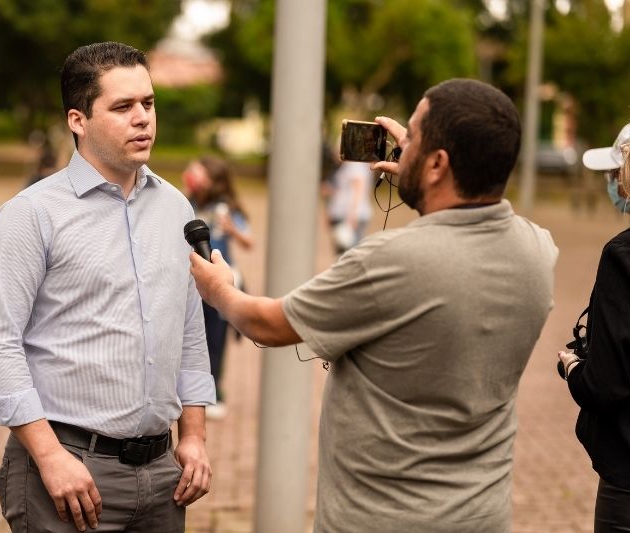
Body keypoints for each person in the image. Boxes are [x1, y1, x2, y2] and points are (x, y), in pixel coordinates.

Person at [189, 78, 558, 533]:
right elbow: (469, 225)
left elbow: (266, 324)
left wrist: (218, 287)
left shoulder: (391, 261)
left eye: (414, 136)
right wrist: (427, 168)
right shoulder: (539, 250)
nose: (403, 143)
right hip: (482, 516)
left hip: (382, 519)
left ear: (439, 163)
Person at [0, 41, 214, 533]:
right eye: (122, 107)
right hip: (67, 470)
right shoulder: (30, 216)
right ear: (77, 120)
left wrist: (194, 435)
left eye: (148, 103)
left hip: (164, 474)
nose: (142, 118)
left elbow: (188, 331)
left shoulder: (176, 210)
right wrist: (49, 457)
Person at [557, 123, 630, 532]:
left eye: (614, 173)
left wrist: (573, 367)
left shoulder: (622, 256)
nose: (612, 184)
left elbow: (605, 385)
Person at [182, 156, 253, 419]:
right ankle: (189, 391)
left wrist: (232, 229)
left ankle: (215, 389)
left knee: (216, 337)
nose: (190, 175)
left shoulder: (225, 208)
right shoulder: (186, 203)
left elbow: (249, 241)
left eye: (197, 172)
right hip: (190, 281)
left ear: (212, 179)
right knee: (189, 336)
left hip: (221, 280)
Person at [326, 160, 373, 254]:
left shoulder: (355, 164)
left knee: (348, 254)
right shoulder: (347, 165)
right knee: (344, 253)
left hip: (350, 217)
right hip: (345, 215)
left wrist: (352, 215)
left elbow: (358, 189)